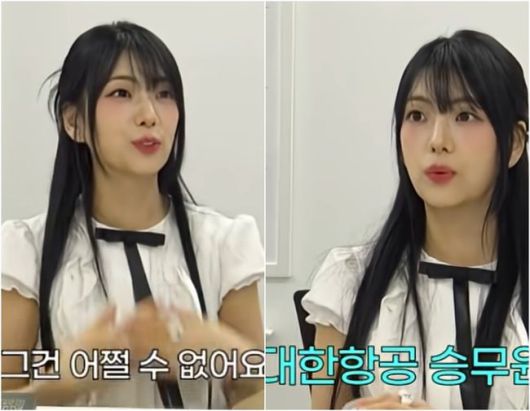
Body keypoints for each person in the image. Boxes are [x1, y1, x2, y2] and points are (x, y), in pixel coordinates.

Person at [1, 21, 264, 409]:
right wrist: (63, 382)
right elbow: (7, 395)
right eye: (121, 93)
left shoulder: (223, 243)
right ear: (74, 121)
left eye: (164, 94)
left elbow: (256, 394)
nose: (149, 115)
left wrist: (228, 354)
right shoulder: (27, 250)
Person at [302, 30, 528, 409]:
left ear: (514, 143)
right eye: (418, 115)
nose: (437, 140)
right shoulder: (350, 280)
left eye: (465, 115)